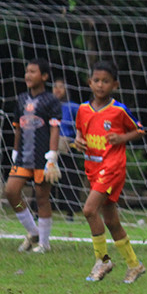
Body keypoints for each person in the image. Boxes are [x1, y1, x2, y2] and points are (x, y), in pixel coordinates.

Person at [73, 60, 147, 283]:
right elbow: (79, 132)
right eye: (96, 81)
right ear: (89, 82)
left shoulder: (118, 110)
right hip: (94, 168)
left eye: (105, 81)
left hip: (112, 168)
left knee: (88, 210)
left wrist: (122, 137)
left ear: (114, 84)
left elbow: (139, 130)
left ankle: (102, 260)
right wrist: (78, 141)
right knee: (112, 221)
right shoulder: (83, 110)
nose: (100, 85)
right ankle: (135, 265)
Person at [4, 58, 61, 253]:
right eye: (27, 71)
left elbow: (54, 130)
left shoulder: (51, 101)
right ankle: (33, 231)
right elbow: (18, 128)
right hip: (23, 157)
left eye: (33, 71)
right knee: (12, 192)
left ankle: (44, 243)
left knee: (42, 197)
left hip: (41, 158)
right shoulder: (20, 100)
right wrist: (15, 150)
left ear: (44, 76)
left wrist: (52, 156)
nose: (28, 75)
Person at [52, 79, 83, 218]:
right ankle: (40, 210)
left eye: (61, 87)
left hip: (67, 146)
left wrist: (77, 138)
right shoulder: (49, 105)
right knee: (47, 177)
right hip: (49, 146)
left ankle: (70, 211)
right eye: (55, 87)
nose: (57, 89)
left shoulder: (74, 107)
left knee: (69, 179)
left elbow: (82, 124)